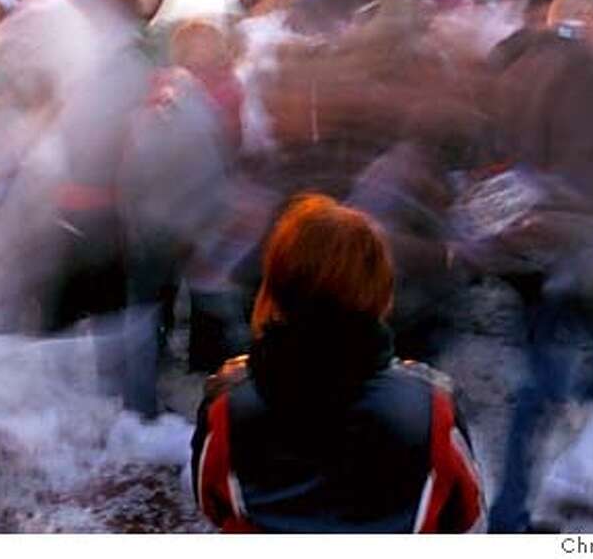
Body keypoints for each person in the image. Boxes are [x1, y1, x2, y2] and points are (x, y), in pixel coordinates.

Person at [191, 194, 484, 533]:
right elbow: (467, 517)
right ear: (378, 290)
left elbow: (211, 502)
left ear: (277, 284)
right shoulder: (432, 407)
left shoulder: (227, 404)